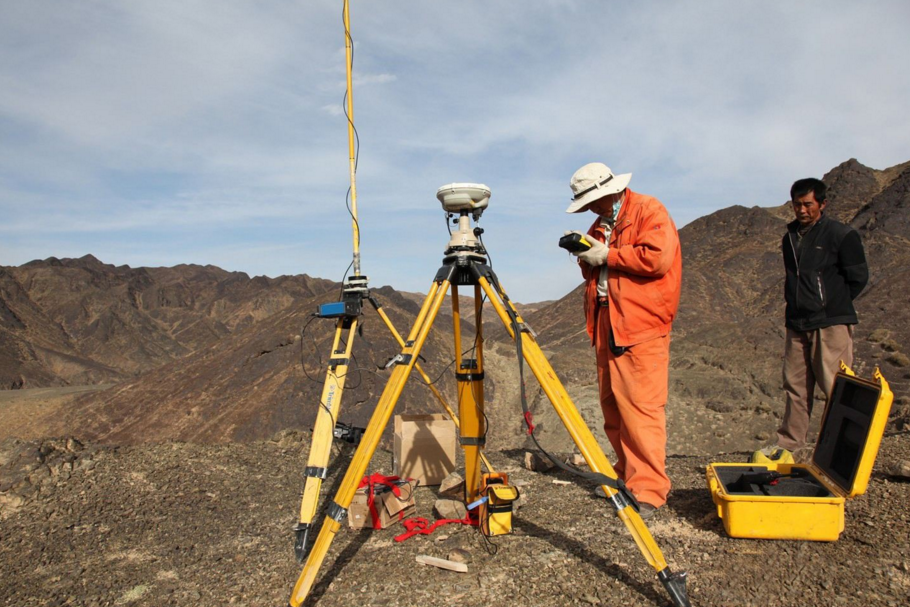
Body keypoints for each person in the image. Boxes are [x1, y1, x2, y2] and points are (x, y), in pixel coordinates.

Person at [564, 162, 682, 518]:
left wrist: (608, 255)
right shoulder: (599, 225)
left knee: (641, 408)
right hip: (606, 319)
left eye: (593, 200)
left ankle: (649, 489)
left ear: (610, 189)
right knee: (613, 406)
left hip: (640, 324)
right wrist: (587, 253)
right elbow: (595, 269)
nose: (591, 207)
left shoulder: (648, 210)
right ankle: (627, 478)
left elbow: (657, 259)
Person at [756, 178, 868, 462]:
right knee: (795, 385)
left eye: (808, 204)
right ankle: (790, 444)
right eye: (797, 204)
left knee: (835, 386)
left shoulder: (841, 235)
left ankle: (842, 449)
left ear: (822, 204)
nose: (802, 210)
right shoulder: (790, 237)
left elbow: (858, 278)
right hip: (797, 322)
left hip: (830, 323)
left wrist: (831, 305)